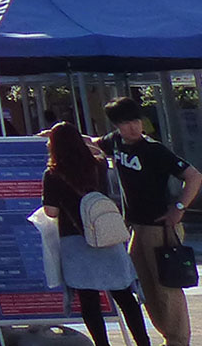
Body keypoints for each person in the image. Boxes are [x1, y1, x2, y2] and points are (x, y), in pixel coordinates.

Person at [97, 96, 202, 346]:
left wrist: (179, 207)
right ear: (116, 126)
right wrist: (58, 135)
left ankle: (178, 340)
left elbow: (194, 176)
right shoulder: (116, 142)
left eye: (136, 121)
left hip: (159, 227)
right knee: (146, 287)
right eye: (126, 123)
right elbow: (93, 144)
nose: (133, 127)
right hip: (135, 226)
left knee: (166, 285)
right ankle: (167, 335)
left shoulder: (153, 149)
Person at [45, 120, 151, 346]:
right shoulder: (98, 165)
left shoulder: (53, 173)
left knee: (89, 299)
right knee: (124, 295)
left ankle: (102, 344)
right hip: (108, 237)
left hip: (76, 240)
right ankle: (143, 341)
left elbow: (51, 212)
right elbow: (95, 150)